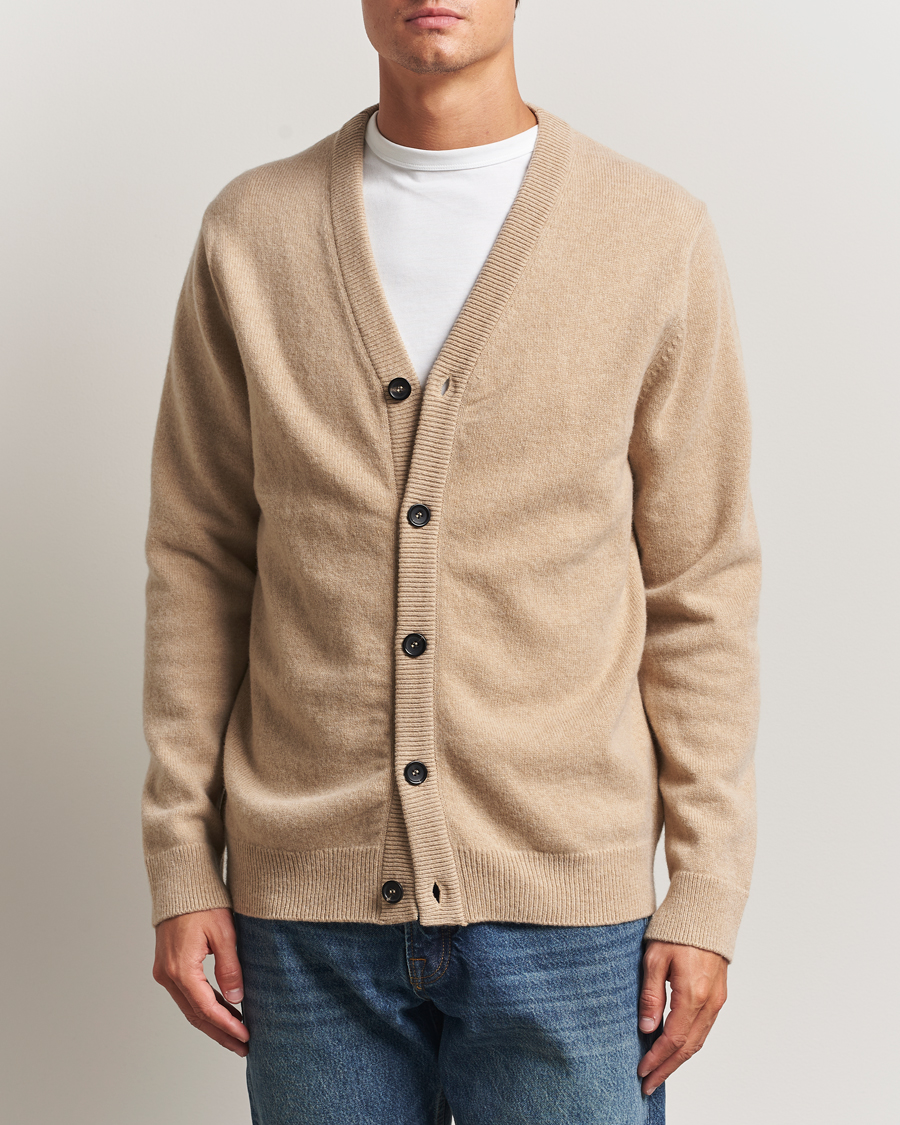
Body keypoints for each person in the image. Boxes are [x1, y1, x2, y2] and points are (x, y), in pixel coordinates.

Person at [141, 2, 760, 1122]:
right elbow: (199, 561)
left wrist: (706, 888)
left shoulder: (652, 233)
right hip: (308, 918)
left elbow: (701, 584)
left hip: (571, 920)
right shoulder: (252, 232)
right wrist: (182, 859)